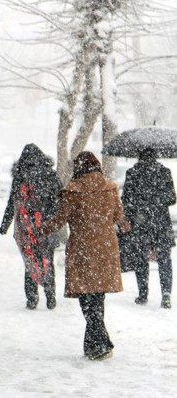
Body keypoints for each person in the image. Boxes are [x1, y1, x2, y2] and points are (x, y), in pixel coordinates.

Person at [37, 151, 129, 360]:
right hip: (105, 246)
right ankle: (96, 345)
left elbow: (60, 220)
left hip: (83, 247)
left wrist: (39, 229)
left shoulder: (74, 190)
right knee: (97, 295)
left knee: (87, 298)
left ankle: (99, 344)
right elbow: (117, 215)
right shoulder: (110, 186)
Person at [0, 144, 63, 310]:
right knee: (46, 259)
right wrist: (54, 220)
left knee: (30, 261)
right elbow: (60, 199)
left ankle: (32, 298)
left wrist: (5, 225)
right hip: (46, 226)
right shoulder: (50, 175)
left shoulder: (21, 176)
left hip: (26, 228)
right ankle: (50, 295)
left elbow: (11, 203)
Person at [121, 148, 174, 309]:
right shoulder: (164, 172)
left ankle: (143, 293)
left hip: (140, 222)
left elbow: (126, 200)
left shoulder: (132, 172)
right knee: (164, 258)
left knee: (141, 259)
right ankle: (166, 293)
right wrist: (157, 201)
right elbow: (172, 198)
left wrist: (131, 216)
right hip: (161, 222)